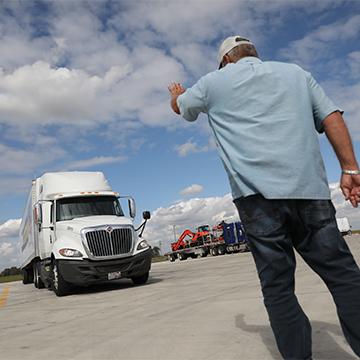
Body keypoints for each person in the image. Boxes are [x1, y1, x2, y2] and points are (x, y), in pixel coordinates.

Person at [168, 35, 360, 359]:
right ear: (253, 54)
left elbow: (182, 109)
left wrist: (177, 95)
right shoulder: (296, 74)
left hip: (257, 202)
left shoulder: (213, 83)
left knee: (278, 287)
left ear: (226, 60)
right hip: (310, 196)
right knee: (344, 277)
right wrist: (351, 170)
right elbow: (332, 117)